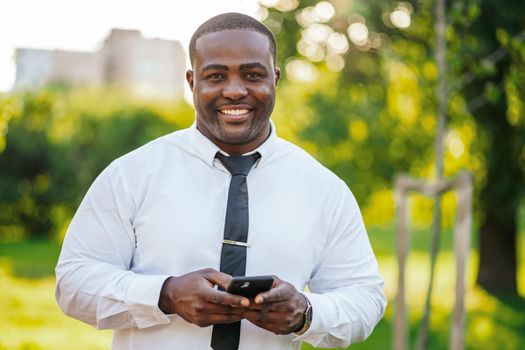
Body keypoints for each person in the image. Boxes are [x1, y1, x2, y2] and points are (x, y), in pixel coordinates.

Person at [55, 12, 386, 350]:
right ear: (191, 81)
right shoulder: (131, 175)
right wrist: (164, 295)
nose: (234, 91)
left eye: (252, 74)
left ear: (275, 79)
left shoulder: (323, 190)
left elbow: (365, 297)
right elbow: (73, 282)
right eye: (215, 76)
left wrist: (306, 312)